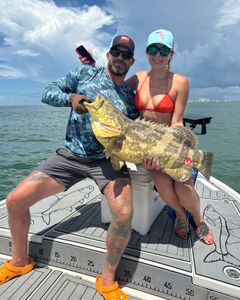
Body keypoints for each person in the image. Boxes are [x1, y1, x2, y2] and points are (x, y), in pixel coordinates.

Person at [0, 35, 142, 300]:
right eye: (116, 52)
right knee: (15, 200)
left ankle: (108, 279)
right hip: (70, 156)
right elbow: (47, 92)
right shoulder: (85, 73)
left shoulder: (130, 97)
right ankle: (19, 261)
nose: (120, 58)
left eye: (126, 54)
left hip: (106, 160)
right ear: (109, 54)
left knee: (123, 214)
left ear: (131, 61)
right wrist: (70, 99)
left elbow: (134, 134)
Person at [126, 29, 214, 244]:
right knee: (164, 185)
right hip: (147, 148)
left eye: (164, 50)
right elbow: (114, 89)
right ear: (147, 52)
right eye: (153, 49)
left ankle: (199, 219)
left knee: (183, 186)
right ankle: (181, 217)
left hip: (171, 143)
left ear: (171, 54)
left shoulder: (181, 82)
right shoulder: (137, 79)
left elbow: (177, 119)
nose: (158, 54)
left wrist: (182, 150)